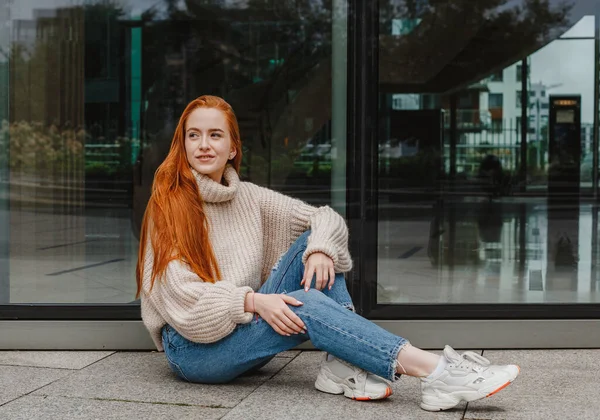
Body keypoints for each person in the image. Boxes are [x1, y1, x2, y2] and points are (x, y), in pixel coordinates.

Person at [136, 95, 520, 412]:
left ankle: (342, 364)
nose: (204, 145)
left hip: (240, 328)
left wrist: (319, 250)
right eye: (194, 135)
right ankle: (436, 372)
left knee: (314, 245)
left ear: (233, 147)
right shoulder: (168, 205)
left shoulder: (249, 197)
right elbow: (178, 296)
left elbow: (324, 217)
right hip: (194, 351)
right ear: (182, 144)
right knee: (306, 302)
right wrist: (253, 301)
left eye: (215, 135)